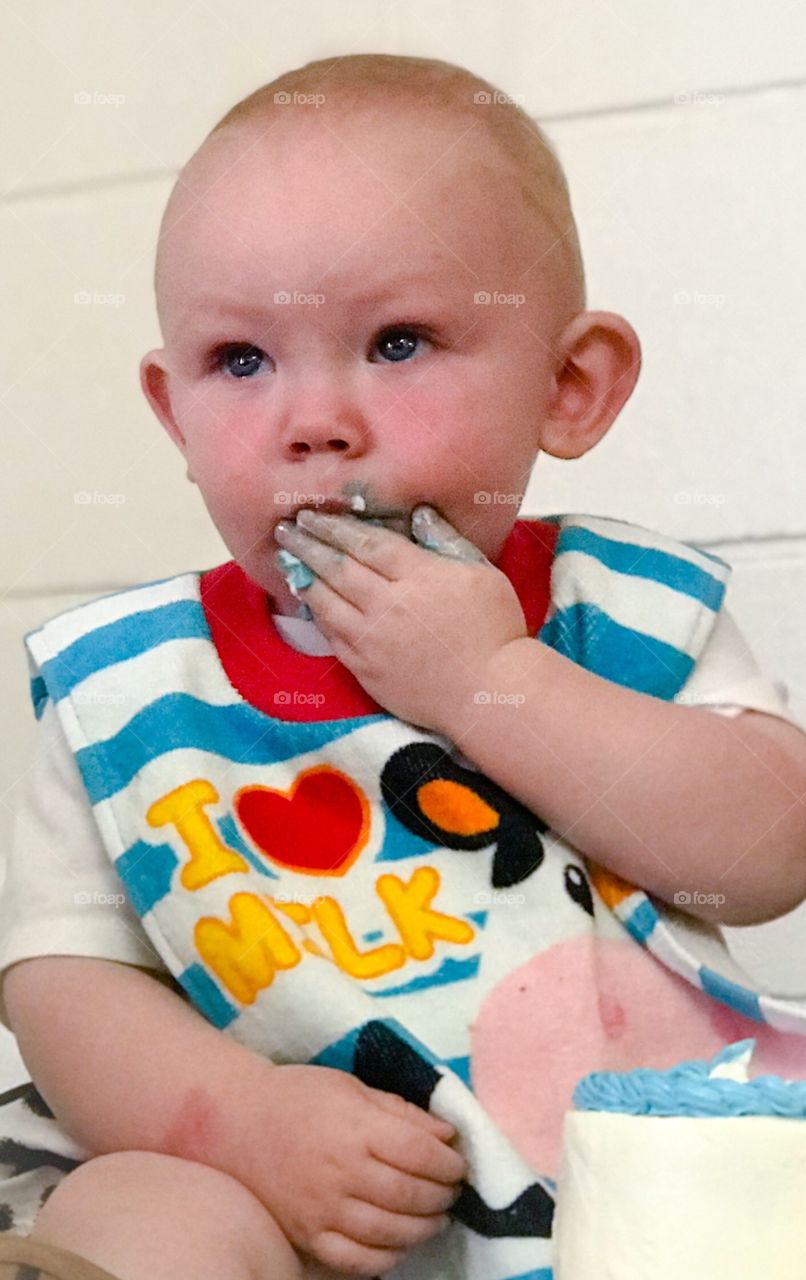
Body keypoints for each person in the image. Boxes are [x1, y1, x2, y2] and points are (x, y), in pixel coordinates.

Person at [1, 51, 806, 1280]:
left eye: (397, 341)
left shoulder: (624, 617)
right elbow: (58, 979)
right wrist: (245, 1123)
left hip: (609, 1193)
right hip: (276, 1199)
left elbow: (762, 854)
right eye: (241, 361)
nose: (315, 420)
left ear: (567, 385)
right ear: (174, 416)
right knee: (140, 1210)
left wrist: (494, 678)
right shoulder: (129, 690)